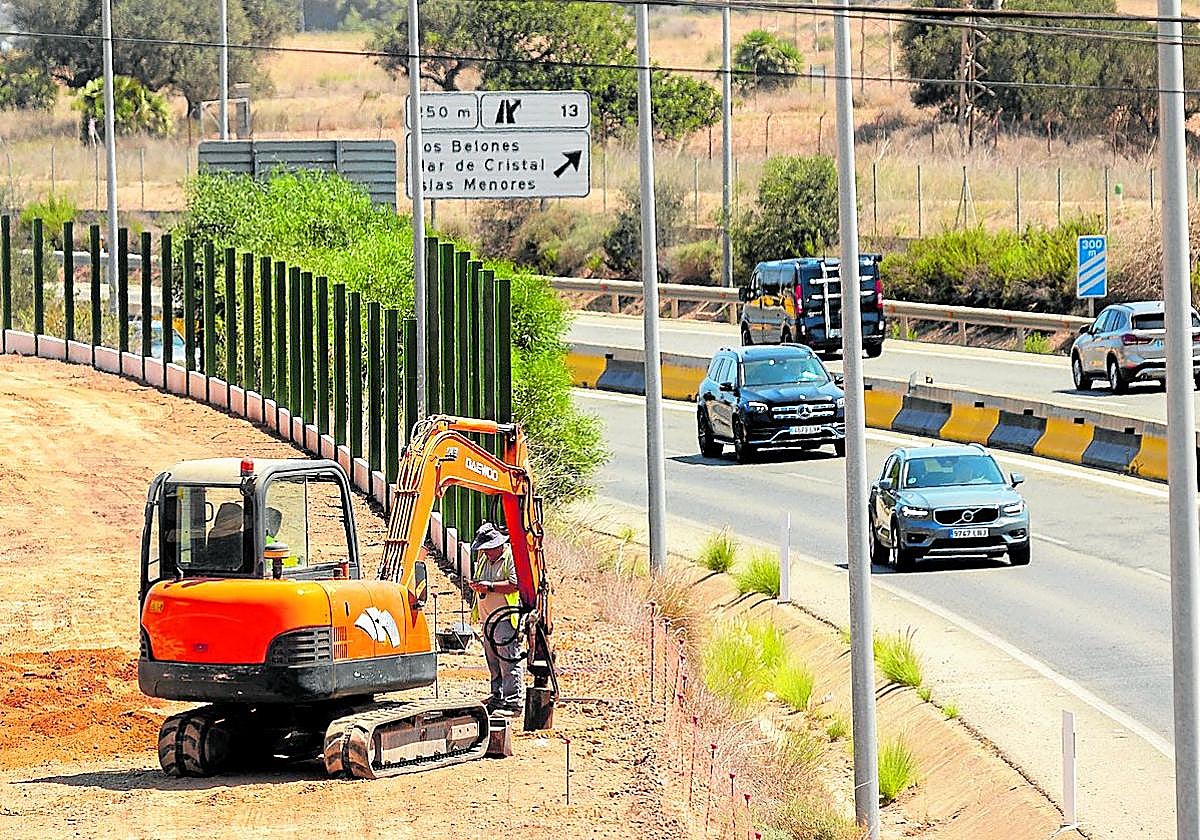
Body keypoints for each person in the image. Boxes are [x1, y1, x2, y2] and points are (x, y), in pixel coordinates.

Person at [469, 522, 524, 716]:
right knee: (493, 662)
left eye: (487, 549)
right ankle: (498, 697)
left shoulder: (510, 557)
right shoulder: (484, 559)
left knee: (508, 660)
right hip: (488, 619)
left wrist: (489, 586)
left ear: (497, 545)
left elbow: (515, 585)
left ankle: (513, 701)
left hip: (505, 619)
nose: (485, 553)